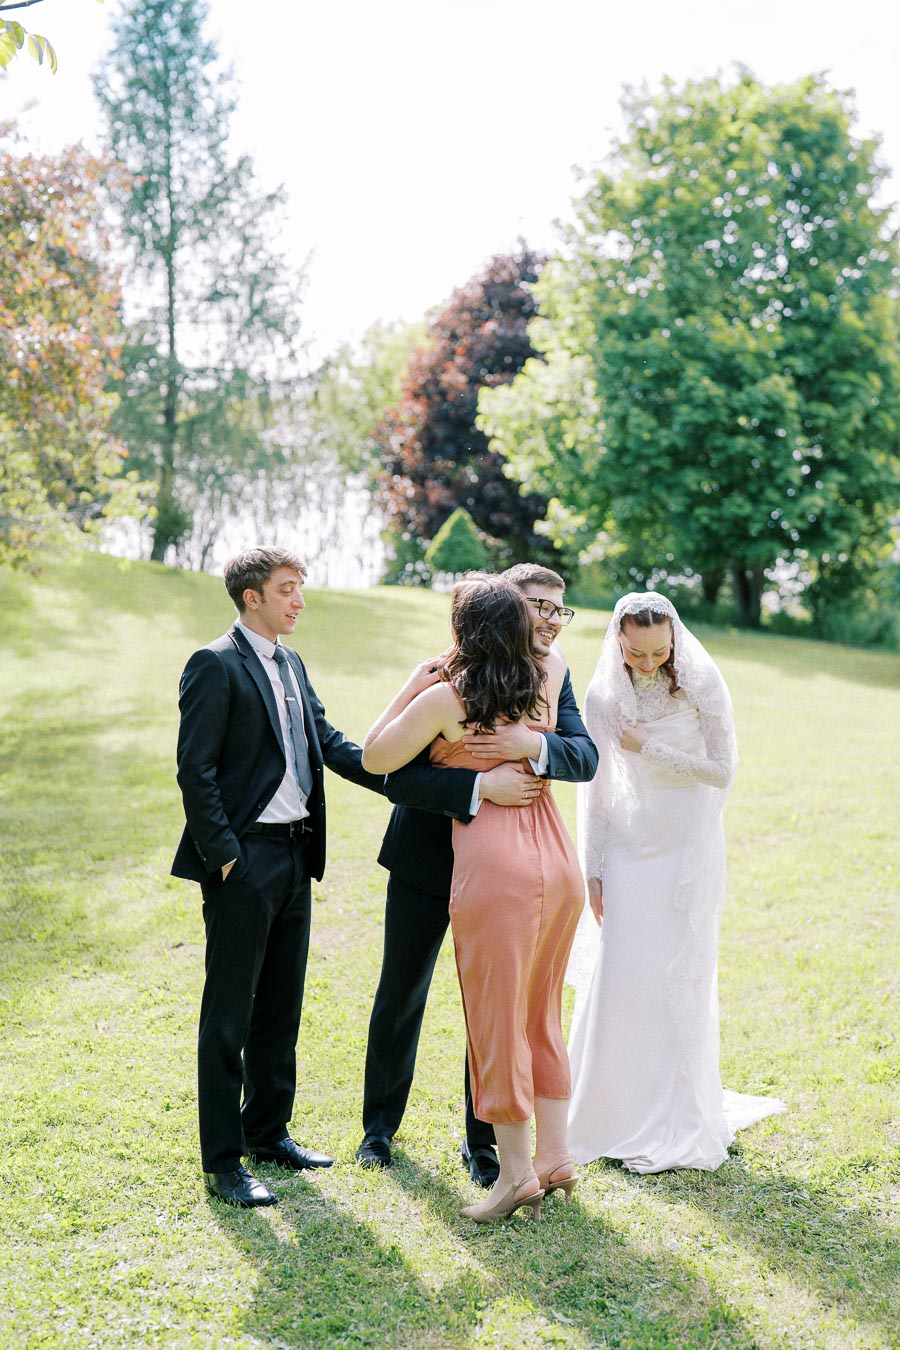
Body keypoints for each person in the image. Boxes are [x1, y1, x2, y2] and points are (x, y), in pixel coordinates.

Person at [355, 565, 597, 1187]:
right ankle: (378, 1133)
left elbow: (583, 754)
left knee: (496, 1006)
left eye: (557, 609)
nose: (548, 619)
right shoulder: (442, 677)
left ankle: (485, 1146)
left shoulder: (552, 673)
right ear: (505, 609)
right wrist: (476, 787)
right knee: (401, 991)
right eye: (537, 606)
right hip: (428, 859)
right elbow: (393, 774)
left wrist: (531, 747)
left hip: (505, 872)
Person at [172, 546, 385, 1207]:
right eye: (287, 589)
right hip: (244, 862)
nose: (299, 600)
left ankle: (268, 1132)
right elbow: (195, 769)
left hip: (296, 857)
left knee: (281, 1006)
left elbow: (329, 743)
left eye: (301, 589)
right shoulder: (214, 664)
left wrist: (405, 773)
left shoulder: (291, 663)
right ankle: (225, 1161)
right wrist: (227, 857)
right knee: (228, 1014)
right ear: (251, 597)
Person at [567, 591, 785, 1173]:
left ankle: (677, 1104)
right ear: (618, 640)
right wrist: (594, 868)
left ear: (674, 639)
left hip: (687, 844)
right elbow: (598, 786)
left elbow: (723, 770)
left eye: (658, 651)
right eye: (636, 653)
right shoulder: (602, 694)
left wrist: (651, 747)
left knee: (678, 971)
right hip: (633, 845)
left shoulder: (700, 681)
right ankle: (611, 1105)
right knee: (624, 966)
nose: (647, 663)